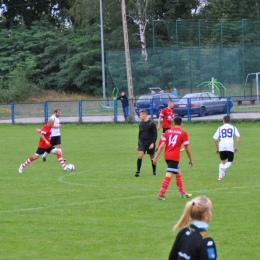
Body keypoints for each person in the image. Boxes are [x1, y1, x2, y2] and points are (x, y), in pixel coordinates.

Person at [153, 116, 193, 200]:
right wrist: (190, 159)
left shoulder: (167, 132)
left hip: (167, 156)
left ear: (173, 123)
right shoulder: (183, 133)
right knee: (169, 175)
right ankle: (161, 194)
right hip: (174, 157)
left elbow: (161, 146)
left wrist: (155, 157)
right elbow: (187, 148)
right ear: (182, 123)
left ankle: (183, 193)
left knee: (178, 172)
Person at [169, 196, 217, 260]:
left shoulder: (183, 232)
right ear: (205, 215)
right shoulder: (206, 240)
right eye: (210, 211)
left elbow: (172, 257)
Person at [213, 115, 240, 180]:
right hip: (229, 145)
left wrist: (217, 148)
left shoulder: (220, 128)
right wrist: (236, 147)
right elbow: (238, 137)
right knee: (230, 161)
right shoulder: (233, 128)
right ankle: (224, 167)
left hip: (221, 145)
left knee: (222, 160)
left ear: (223, 121)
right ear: (229, 121)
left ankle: (220, 177)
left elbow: (215, 139)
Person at [135, 109, 157, 177]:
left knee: (152, 157)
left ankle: (154, 172)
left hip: (150, 142)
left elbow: (155, 134)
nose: (140, 116)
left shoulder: (151, 123)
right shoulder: (140, 123)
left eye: (141, 115)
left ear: (145, 115)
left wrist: (152, 143)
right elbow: (140, 134)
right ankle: (138, 172)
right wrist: (138, 144)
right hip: (142, 142)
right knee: (140, 155)